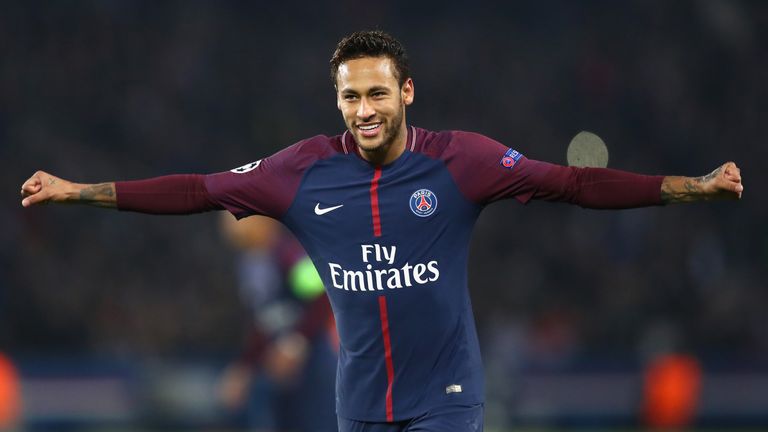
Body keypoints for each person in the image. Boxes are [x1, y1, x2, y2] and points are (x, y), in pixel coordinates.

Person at [20, 30, 743, 432]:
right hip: (359, 406)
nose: (362, 108)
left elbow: (577, 183)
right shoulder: (298, 172)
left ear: (405, 93)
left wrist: (690, 189)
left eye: (375, 92)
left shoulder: (464, 161)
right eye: (349, 95)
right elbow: (197, 190)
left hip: (448, 398)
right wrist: (79, 191)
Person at [217, 213, 338, 432]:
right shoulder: (250, 263)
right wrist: (245, 366)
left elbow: (322, 295)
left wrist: (297, 340)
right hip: (276, 368)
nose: (230, 224)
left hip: (312, 362)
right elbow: (262, 322)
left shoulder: (289, 255)